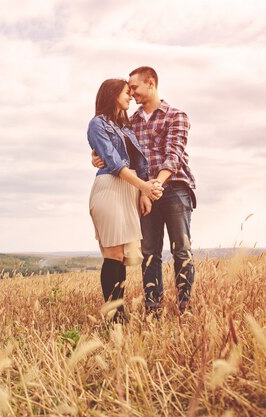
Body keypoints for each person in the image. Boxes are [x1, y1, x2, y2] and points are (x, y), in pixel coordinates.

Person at [93, 67, 196, 315]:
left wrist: (155, 184)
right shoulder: (131, 121)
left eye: (135, 87)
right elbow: (115, 148)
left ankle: (185, 306)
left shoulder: (176, 115)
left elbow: (174, 155)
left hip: (174, 188)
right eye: (128, 90)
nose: (132, 93)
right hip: (144, 193)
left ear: (151, 83)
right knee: (149, 252)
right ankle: (153, 308)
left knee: (181, 249)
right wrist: (96, 156)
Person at [87, 78, 163, 323]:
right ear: (112, 94)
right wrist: (145, 186)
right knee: (112, 253)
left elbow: (140, 164)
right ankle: (114, 316)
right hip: (110, 187)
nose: (130, 96)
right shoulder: (97, 124)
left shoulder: (126, 127)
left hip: (129, 190)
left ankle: (120, 315)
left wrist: (143, 193)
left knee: (121, 255)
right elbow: (113, 162)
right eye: (126, 92)